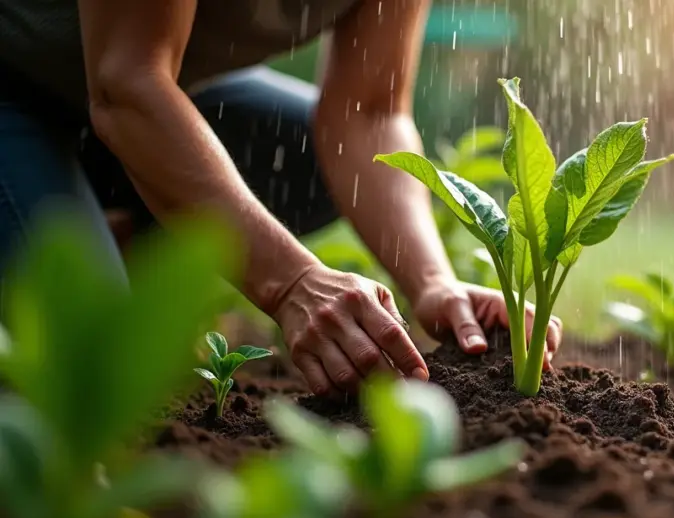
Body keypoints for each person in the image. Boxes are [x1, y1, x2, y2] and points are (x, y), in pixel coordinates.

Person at [0, 0, 561, 397]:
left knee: (311, 161)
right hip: (22, 82)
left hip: (138, 92)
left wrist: (432, 280)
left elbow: (369, 113)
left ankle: (102, 220)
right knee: (93, 373)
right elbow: (127, 84)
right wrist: (291, 282)